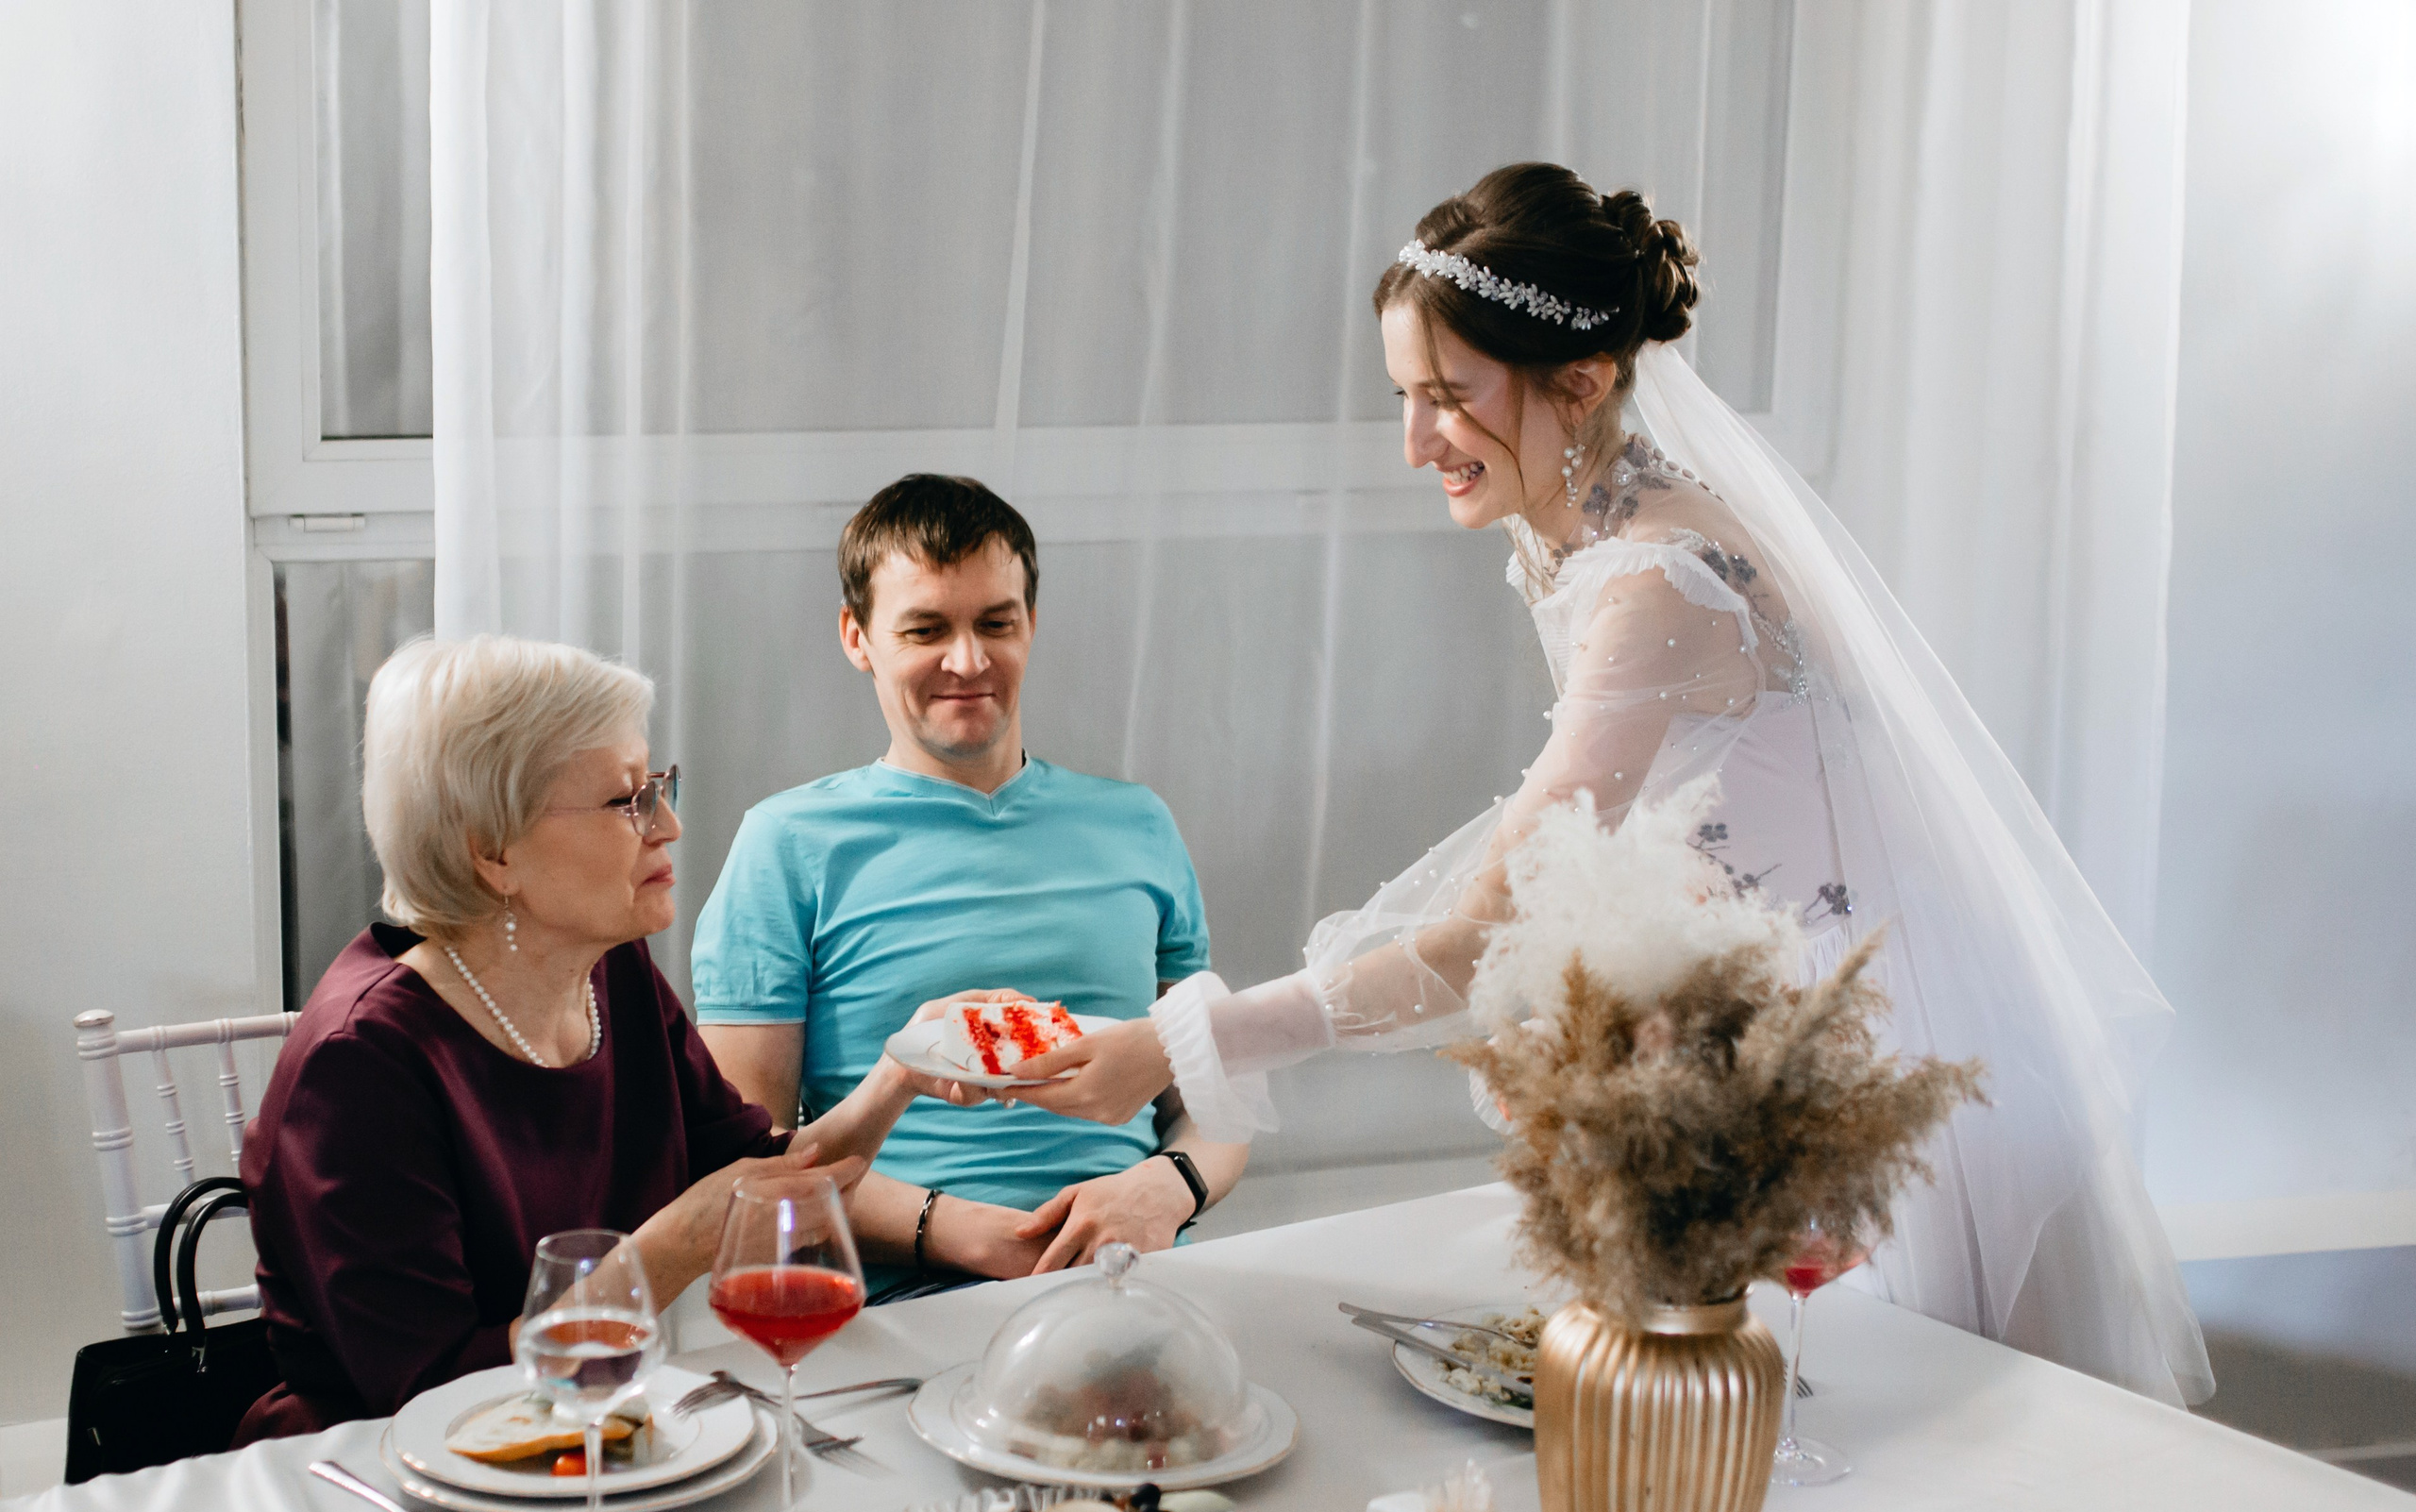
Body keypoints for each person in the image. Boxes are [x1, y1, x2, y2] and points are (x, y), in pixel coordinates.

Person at [993, 163, 2213, 1407]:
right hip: (1768, 1053)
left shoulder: (1654, 580)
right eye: (1404, 396)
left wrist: (1184, 1042)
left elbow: (1488, 922)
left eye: (1447, 398)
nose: (1414, 442)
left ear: (1578, 383)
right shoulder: (1588, 517)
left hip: (1860, 1103)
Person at [235, 635, 938, 1441]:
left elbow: (772, 1186)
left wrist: (901, 1073)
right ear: (491, 850)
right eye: (625, 800)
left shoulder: (614, 971)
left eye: (657, 786)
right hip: (383, 1481)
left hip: (602, 1429)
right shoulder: (360, 1064)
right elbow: (428, 1393)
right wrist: (671, 1247)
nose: (667, 824)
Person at [689, 474, 1246, 1300]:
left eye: (996, 623)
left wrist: (1171, 1185)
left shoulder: (1138, 824)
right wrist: (968, 1235)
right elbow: (746, 1168)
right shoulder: (787, 844)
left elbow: (1216, 1087)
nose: (968, 661)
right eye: (925, 628)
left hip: (1139, 1282)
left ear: (1031, 625)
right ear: (857, 636)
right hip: (910, 1299)